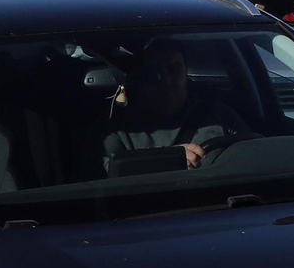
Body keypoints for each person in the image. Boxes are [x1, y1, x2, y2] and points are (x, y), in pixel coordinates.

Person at [105, 39, 253, 171]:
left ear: (186, 72)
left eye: (174, 69)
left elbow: (257, 156)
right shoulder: (117, 130)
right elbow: (103, 177)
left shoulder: (221, 116)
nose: (167, 80)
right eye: (154, 72)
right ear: (139, 77)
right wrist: (166, 160)